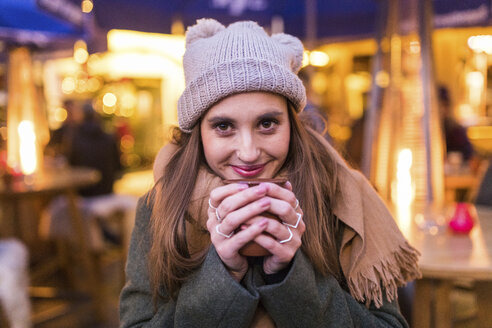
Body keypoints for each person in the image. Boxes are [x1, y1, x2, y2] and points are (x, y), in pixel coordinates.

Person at [120, 19, 420, 327]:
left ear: (291, 123)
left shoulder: (340, 196)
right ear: (199, 132)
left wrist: (291, 275)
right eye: (224, 127)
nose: (248, 153)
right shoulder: (162, 204)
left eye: (267, 123)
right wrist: (223, 273)